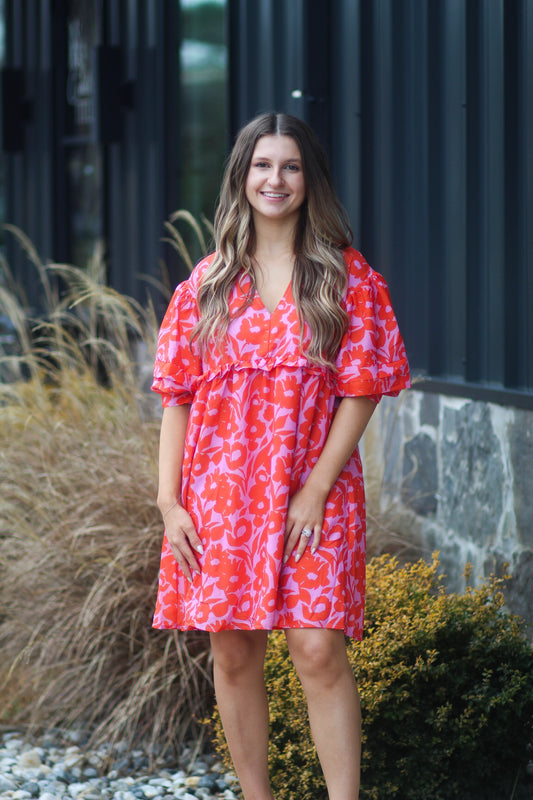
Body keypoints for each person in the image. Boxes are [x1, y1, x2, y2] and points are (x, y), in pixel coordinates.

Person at [152, 112, 410, 800]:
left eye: (290, 166)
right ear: (241, 177)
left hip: (313, 493)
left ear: (308, 180)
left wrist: (315, 488)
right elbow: (176, 397)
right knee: (234, 653)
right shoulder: (205, 285)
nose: (275, 179)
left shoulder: (345, 277)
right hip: (219, 496)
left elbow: (362, 389)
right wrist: (169, 501)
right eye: (262, 165)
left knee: (317, 648)